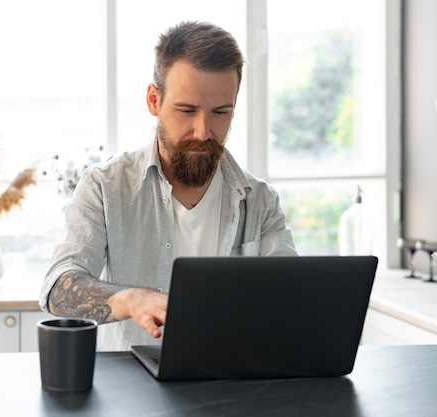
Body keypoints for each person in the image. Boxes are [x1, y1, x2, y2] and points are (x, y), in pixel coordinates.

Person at [39, 21, 297, 351]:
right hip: (129, 393)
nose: (203, 131)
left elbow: (290, 301)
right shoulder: (105, 187)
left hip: (229, 388)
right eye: (187, 110)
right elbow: (58, 290)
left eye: (221, 112)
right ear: (153, 100)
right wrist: (132, 300)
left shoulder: (260, 202)